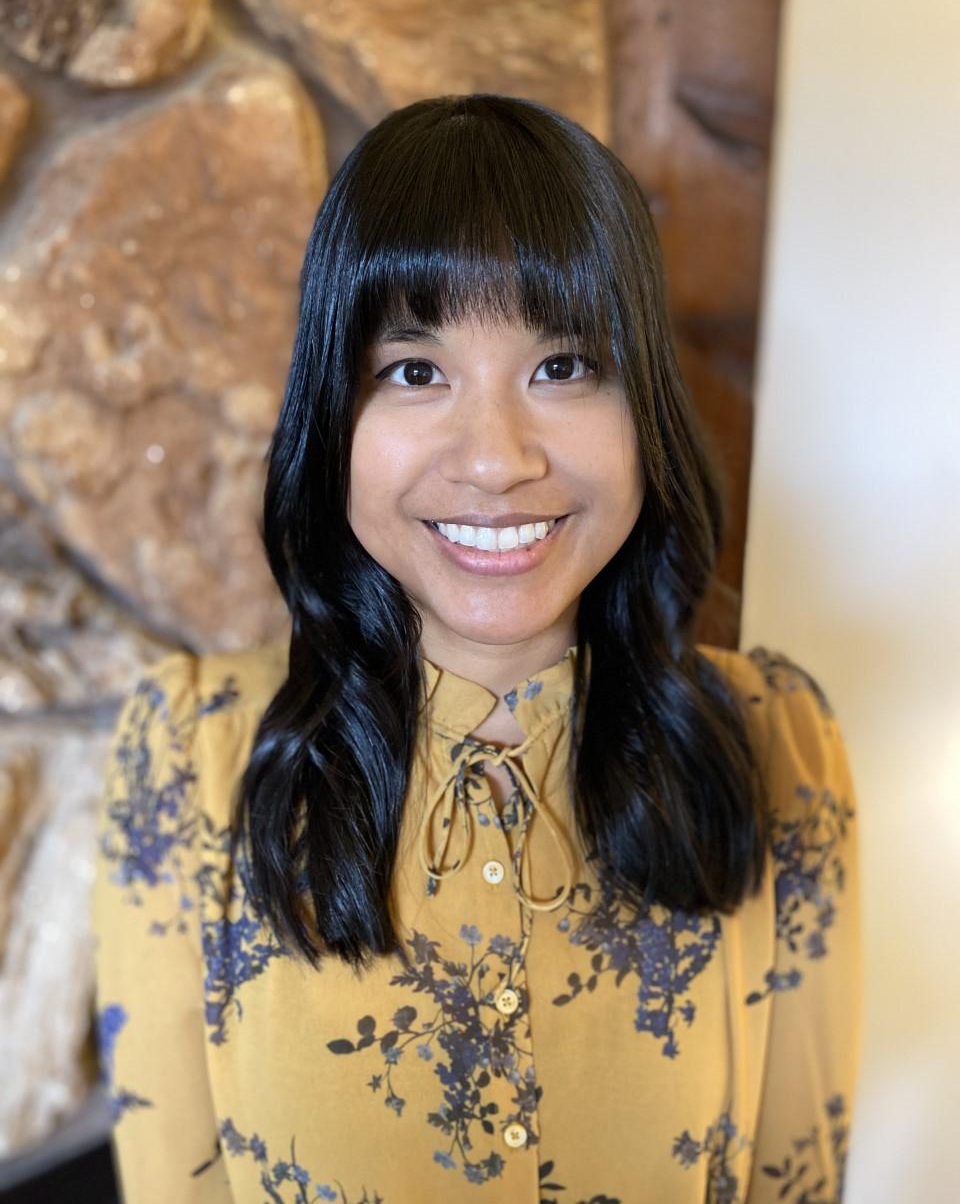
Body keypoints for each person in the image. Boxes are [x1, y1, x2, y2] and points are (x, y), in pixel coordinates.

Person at [91, 94, 862, 1203]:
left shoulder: (777, 740)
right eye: (415, 369)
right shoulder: (186, 758)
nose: (495, 459)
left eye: (563, 365)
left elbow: (799, 1180)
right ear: (332, 411)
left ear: (642, 399)